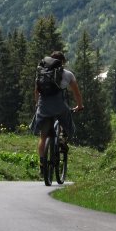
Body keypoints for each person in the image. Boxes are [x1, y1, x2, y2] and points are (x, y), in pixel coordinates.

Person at [29, 50, 83, 178]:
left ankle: (42, 165)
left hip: (44, 106)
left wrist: (38, 105)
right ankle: (62, 137)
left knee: (43, 137)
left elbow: (36, 91)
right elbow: (76, 92)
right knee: (66, 117)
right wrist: (79, 105)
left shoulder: (42, 73)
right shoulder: (68, 74)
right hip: (59, 106)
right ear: (62, 62)